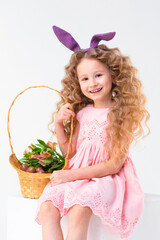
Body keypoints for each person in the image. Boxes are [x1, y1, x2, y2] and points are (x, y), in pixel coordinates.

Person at [35, 26, 150, 240]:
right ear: (78, 83)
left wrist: (70, 174)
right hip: (77, 176)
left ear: (113, 75)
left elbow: (114, 165)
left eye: (98, 75)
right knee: (48, 207)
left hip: (106, 178)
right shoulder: (83, 113)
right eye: (85, 79)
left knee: (80, 208)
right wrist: (58, 124)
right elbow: (71, 154)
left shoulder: (121, 113)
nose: (92, 83)